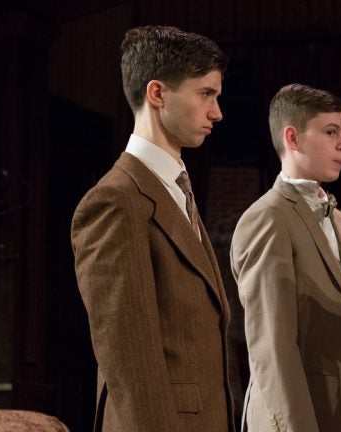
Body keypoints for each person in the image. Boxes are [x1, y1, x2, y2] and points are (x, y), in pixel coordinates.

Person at [71, 25, 236, 432]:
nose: (217, 112)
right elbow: (130, 363)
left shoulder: (177, 189)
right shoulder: (115, 200)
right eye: (206, 94)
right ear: (158, 94)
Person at [230, 83, 341, 431]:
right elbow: (272, 347)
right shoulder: (267, 218)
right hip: (298, 419)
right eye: (330, 132)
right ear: (293, 138)